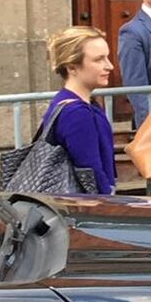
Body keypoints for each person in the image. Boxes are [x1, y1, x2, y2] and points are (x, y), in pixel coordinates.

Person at [41, 26, 117, 195]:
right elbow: (91, 173)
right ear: (72, 67)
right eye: (99, 60)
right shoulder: (76, 112)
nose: (109, 66)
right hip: (87, 209)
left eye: (107, 57)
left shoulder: (71, 103)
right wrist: (109, 205)